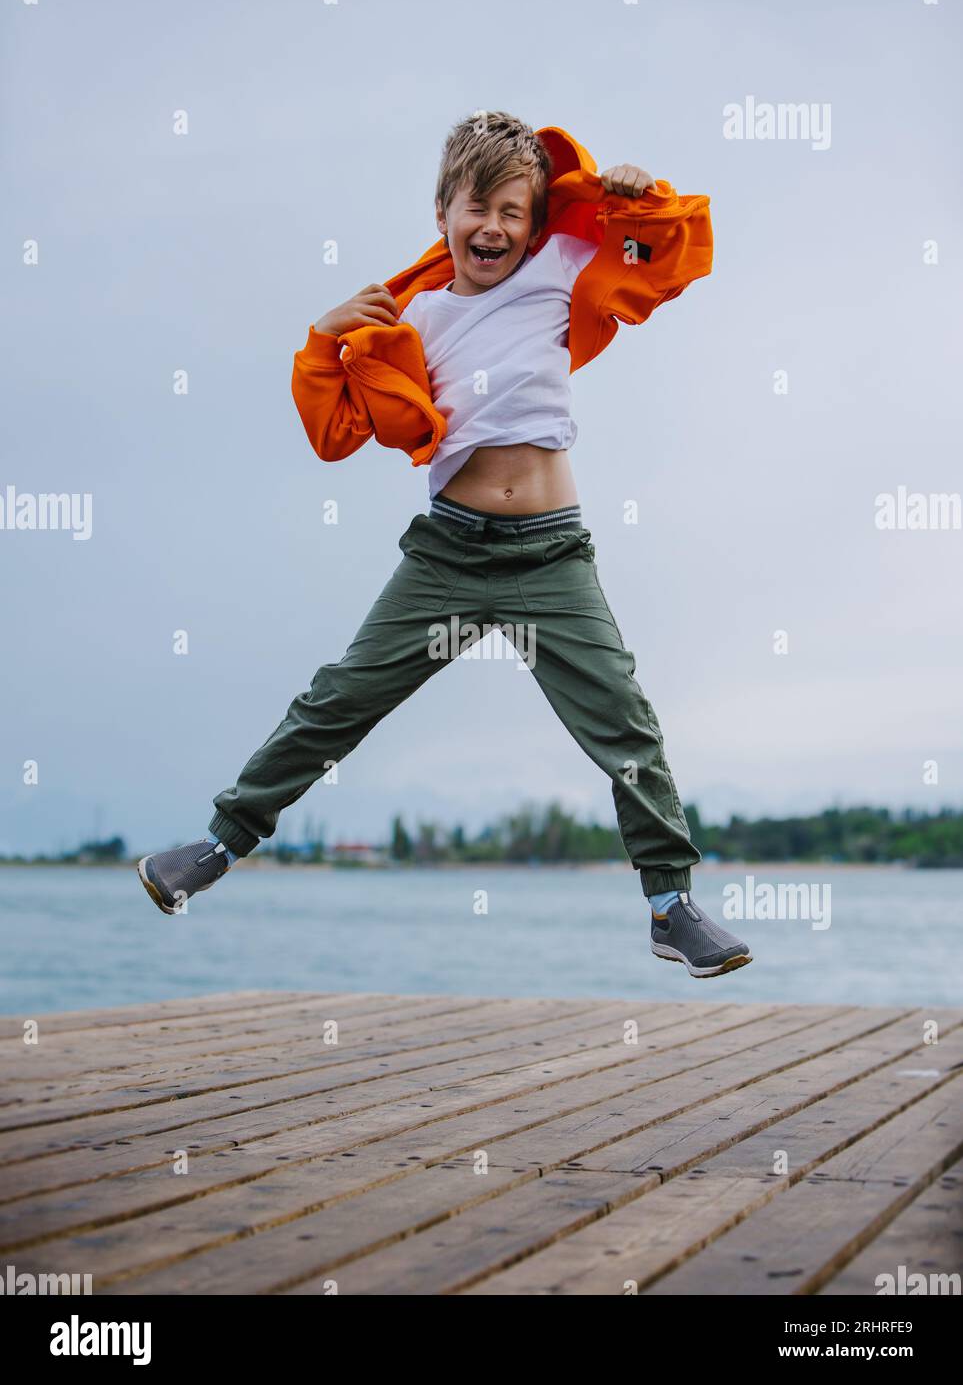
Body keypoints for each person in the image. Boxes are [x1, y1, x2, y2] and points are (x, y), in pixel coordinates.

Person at [137, 110, 751, 980]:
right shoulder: (413, 318)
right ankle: (215, 846)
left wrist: (637, 196)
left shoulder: (560, 270)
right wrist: (320, 341)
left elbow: (669, 254)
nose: (492, 228)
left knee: (623, 723)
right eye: (476, 208)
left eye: (512, 212)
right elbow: (334, 431)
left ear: (535, 223)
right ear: (443, 212)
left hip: (550, 557)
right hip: (448, 557)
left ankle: (668, 904)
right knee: (339, 699)